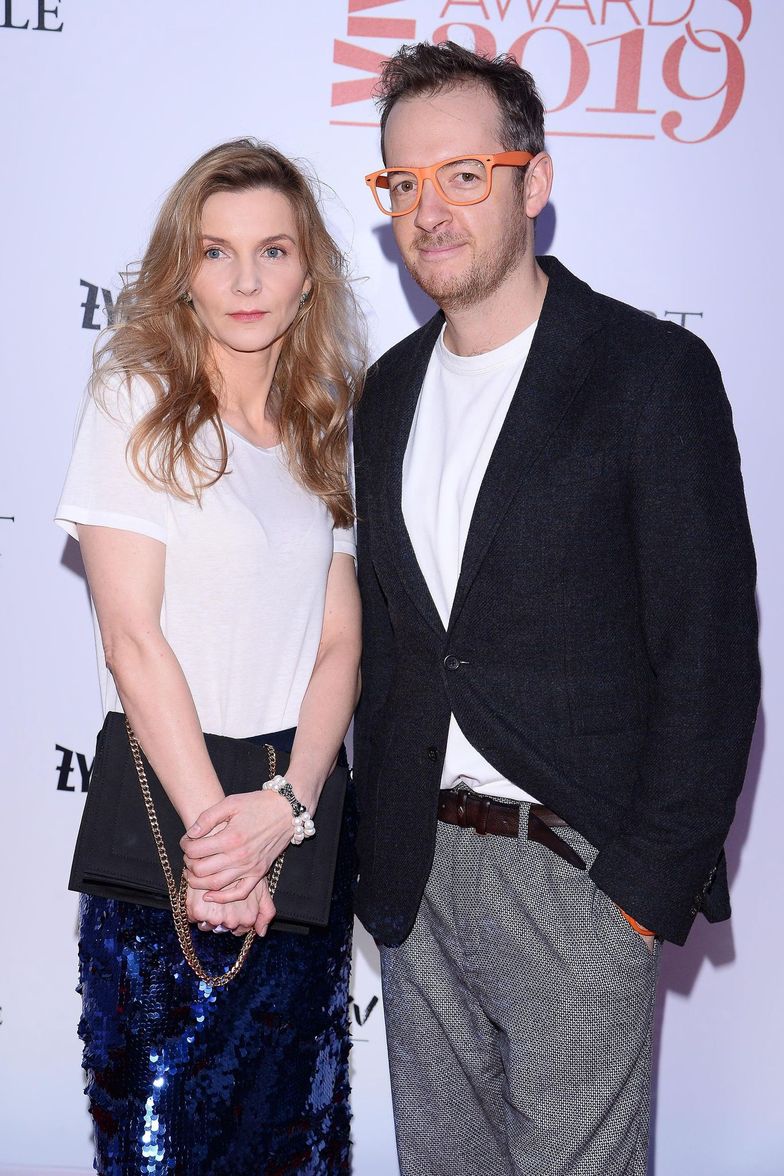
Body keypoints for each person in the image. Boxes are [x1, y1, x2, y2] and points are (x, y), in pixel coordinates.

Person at [353, 41, 760, 1176]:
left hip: (576, 871)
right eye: (403, 184)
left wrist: (638, 893)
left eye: (463, 174)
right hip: (415, 872)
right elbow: (394, 645)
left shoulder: (650, 373)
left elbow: (710, 657)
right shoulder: (384, 394)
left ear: (533, 181)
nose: (429, 210)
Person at [55, 139, 363, 1174]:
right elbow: (132, 639)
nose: (245, 280)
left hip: (297, 824)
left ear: (308, 271)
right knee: (161, 1144)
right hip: (169, 823)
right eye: (216, 251)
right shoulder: (135, 400)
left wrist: (289, 805)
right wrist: (219, 841)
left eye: (273, 250)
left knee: (295, 1138)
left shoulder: (325, 422)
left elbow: (340, 641)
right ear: (182, 270)